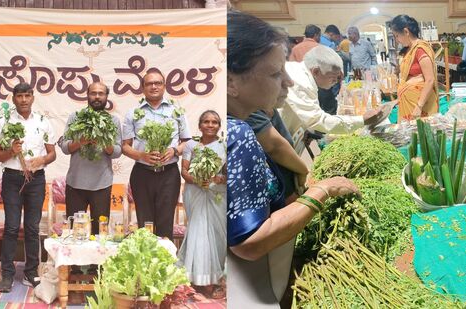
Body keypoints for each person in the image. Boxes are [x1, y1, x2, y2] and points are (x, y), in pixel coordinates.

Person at [227, 10, 361, 308]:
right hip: (247, 290)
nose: (287, 81)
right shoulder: (237, 132)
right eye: (276, 73)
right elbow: (249, 242)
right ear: (231, 82)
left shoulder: (234, 121)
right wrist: (321, 192)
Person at [0, 82, 57, 292]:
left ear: (32, 97)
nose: (23, 100)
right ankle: (7, 275)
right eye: (19, 96)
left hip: (36, 180)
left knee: (32, 227)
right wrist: (11, 151)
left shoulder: (43, 121)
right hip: (12, 178)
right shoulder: (3, 121)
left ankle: (31, 272)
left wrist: (42, 161)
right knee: (11, 227)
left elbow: (52, 153)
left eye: (27, 96)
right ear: (13, 98)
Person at [122, 69, 191, 240]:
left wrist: (174, 150)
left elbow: (187, 142)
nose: (154, 86)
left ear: (164, 86)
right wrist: (141, 155)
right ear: (143, 87)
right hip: (142, 174)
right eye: (149, 83)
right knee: (145, 225)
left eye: (158, 83)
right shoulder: (133, 113)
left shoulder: (177, 111)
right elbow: (125, 146)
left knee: (165, 223)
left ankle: (164, 265)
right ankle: (145, 265)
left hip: (169, 175)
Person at [279, 45, 386, 141]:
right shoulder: (300, 82)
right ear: (316, 71)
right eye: (333, 78)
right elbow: (318, 120)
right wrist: (361, 120)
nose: (335, 82)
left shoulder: (302, 72)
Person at [59, 82, 123, 236]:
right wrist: (80, 142)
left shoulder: (113, 121)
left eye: (101, 93)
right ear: (87, 95)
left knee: (100, 232)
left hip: (102, 184)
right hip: (75, 183)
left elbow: (117, 151)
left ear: (106, 97)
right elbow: (65, 147)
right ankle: (74, 261)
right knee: (75, 232)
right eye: (93, 93)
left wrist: (103, 142)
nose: (97, 97)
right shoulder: (76, 117)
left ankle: (97, 261)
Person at [177, 110, 226, 299]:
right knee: (197, 232)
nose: (210, 125)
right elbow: (184, 171)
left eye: (214, 122)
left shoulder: (224, 146)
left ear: (219, 126)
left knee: (215, 236)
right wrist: (198, 180)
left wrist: (217, 179)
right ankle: (195, 279)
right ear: (200, 125)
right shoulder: (191, 145)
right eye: (206, 121)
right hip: (195, 192)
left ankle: (213, 279)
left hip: (217, 195)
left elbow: (227, 174)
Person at [391, 15, 439, 122]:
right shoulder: (409, 49)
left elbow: (429, 79)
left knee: (420, 134)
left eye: (397, 36)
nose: (397, 40)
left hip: (420, 105)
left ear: (406, 32)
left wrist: (419, 106)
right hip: (409, 102)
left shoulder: (420, 49)